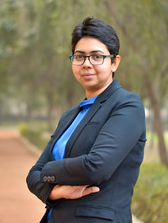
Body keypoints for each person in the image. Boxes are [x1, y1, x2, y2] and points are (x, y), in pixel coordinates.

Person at [26, 16, 146, 223]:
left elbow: (96, 167)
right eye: (79, 57)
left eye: (97, 56)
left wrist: (48, 170)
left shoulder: (126, 105)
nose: (86, 64)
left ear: (114, 62)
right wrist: (57, 192)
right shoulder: (70, 116)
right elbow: (31, 176)